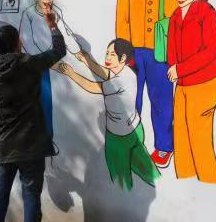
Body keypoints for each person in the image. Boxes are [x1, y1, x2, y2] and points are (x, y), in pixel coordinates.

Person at [0, 14, 66, 222]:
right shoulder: (28, 64)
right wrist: (52, 25)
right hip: (31, 144)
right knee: (31, 199)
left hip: (5, 145)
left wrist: (6, 125)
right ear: (16, 43)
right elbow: (58, 51)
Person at [57, 39, 161, 191]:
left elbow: (92, 86)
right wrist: (86, 60)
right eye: (107, 53)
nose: (107, 57)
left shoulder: (119, 82)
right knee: (146, 169)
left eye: (112, 54)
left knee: (121, 181)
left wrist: (71, 73)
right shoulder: (127, 72)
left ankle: (125, 200)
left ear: (123, 58)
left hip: (119, 137)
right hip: (136, 130)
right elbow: (106, 73)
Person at [115, 0, 178, 168]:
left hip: (160, 51)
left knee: (161, 100)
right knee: (131, 99)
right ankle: (131, 144)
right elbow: (122, 20)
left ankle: (164, 146)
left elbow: (173, 17)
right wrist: (123, 52)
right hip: (133, 52)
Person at [167, 0, 216, 183]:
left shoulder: (206, 11)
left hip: (205, 82)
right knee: (181, 136)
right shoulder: (175, 15)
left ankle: (211, 181)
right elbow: (172, 49)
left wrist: (180, 69)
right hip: (182, 84)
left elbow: (210, 51)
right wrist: (174, 67)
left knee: (199, 138)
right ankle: (187, 181)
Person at [19, 0, 81, 139]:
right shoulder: (29, 14)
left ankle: (48, 139)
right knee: (39, 102)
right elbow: (29, 44)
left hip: (54, 60)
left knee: (52, 104)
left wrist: (78, 52)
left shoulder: (56, 12)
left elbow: (65, 34)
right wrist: (50, 62)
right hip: (37, 65)